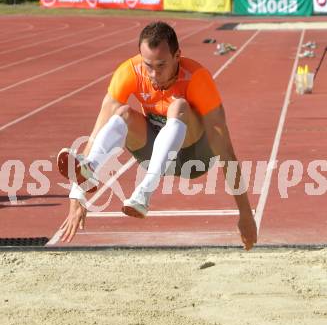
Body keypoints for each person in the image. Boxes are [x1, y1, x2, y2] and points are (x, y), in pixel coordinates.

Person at [57, 21, 257, 250]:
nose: (153, 74)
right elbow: (96, 132)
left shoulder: (197, 78)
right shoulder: (130, 72)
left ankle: (144, 192)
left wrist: (245, 213)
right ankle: (94, 171)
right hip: (154, 154)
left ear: (178, 56)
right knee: (121, 113)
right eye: (148, 65)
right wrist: (77, 195)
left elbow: (226, 149)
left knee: (178, 105)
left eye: (161, 65)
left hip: (195, 159)